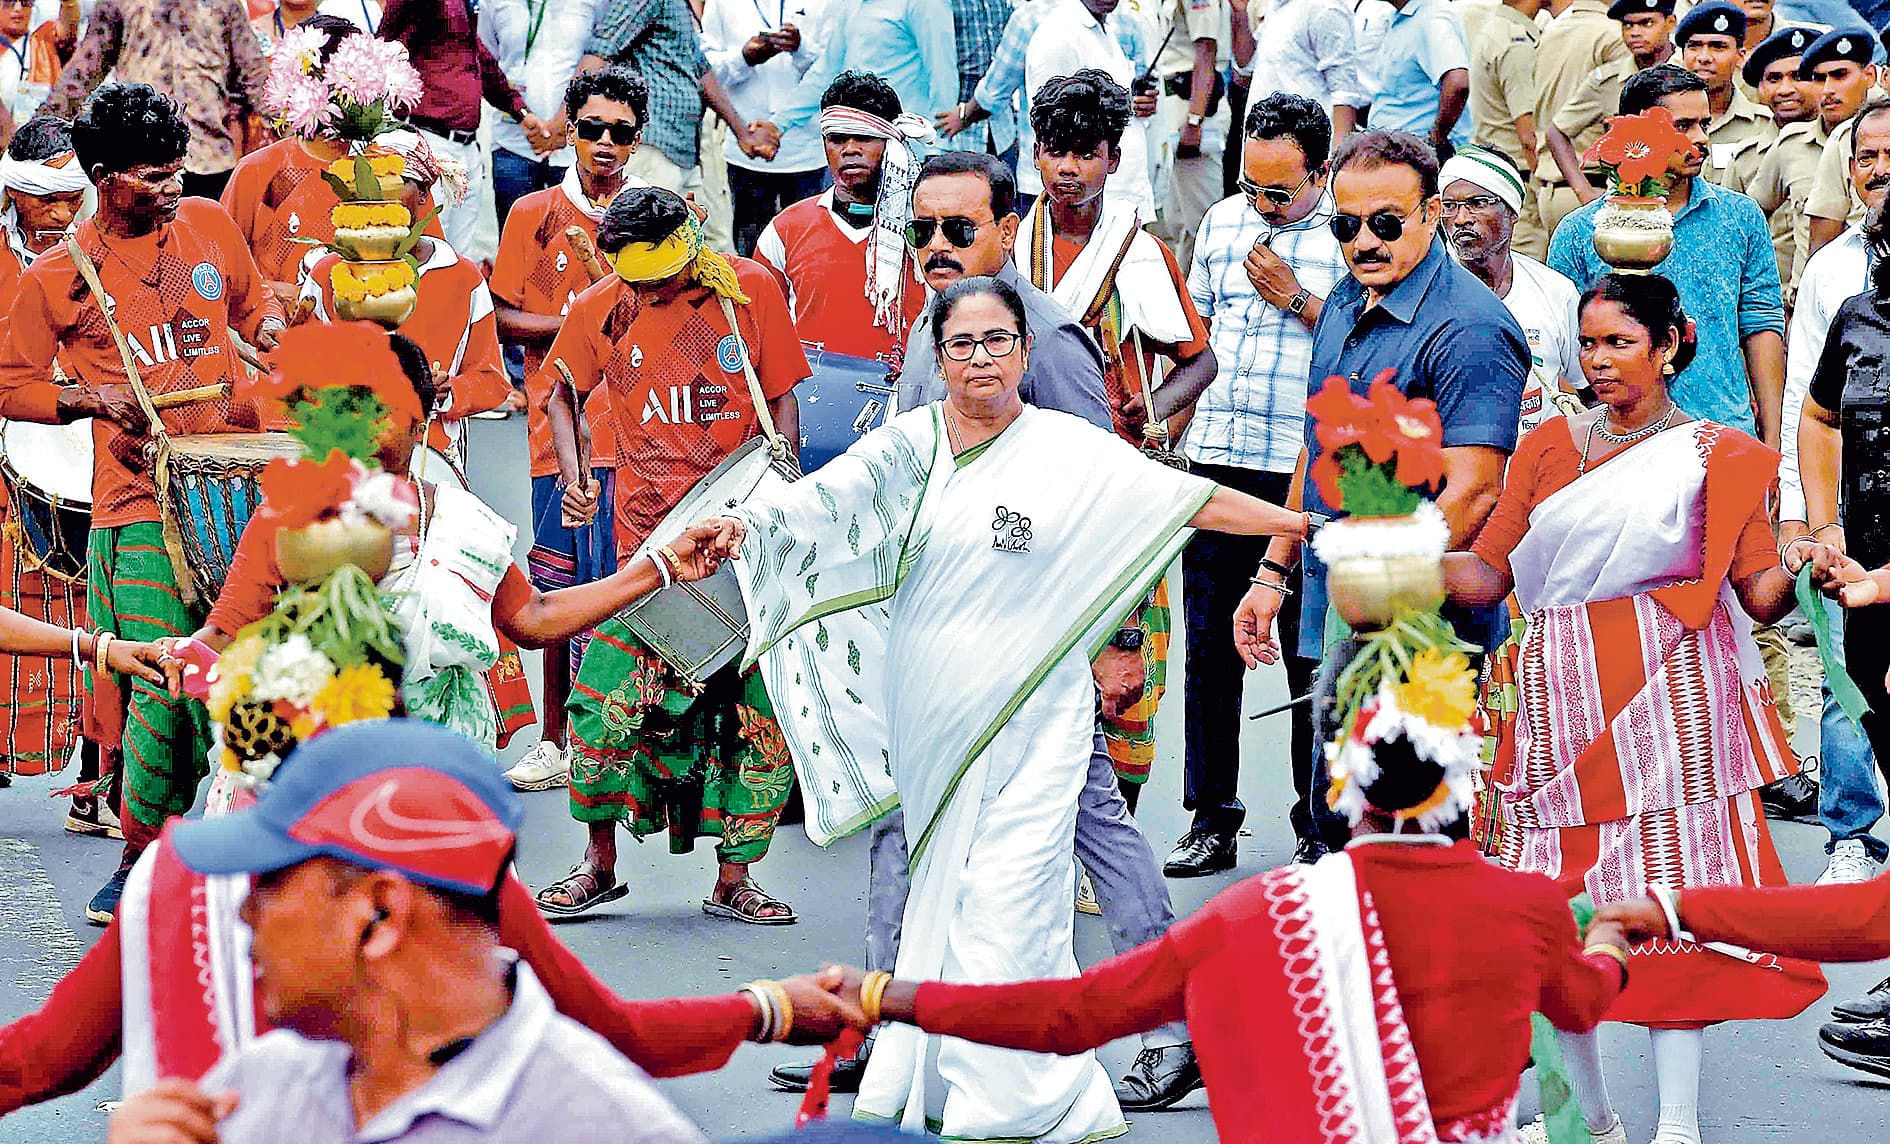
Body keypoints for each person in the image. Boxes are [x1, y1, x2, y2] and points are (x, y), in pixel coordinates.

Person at [698, 272, 1313, 1142]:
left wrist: (1295, 529)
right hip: (934, 715)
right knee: (941, 903)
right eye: (961, 344)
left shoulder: (1070, 449)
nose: (980, 359)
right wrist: (741, 529)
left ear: (1026, 351)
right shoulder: (907, 447)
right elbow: (811, 511)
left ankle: (1026, 1096)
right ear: (937, 356)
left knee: (1013, 902)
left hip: (1042, 718)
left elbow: (1189, 500)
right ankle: (942, 1081)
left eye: (997, 341)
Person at [798, 151, 1201, 1110]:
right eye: (924, 229)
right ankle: (886, 1032)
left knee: (1091, 822)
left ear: (1005, 228)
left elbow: (1111, 500)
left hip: (1037, 651)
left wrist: (1115, 635)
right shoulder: (943, 323)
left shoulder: (1045, 341)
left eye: (960, 229)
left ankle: (1171, 1023)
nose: (938, 247)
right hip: (937, 641)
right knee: (905, 824)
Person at [814, 680, 1631, 1143]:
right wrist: (1609, 942)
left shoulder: (1258, 914)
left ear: (1340, 792)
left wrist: (891, 996)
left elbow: (1067, 1016)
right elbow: (1584, 1003)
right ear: (1462, 787)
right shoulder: (1528, 908)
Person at [1436, 272, 1827, 1144]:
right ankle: (1587, 1119)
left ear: (1670, 345)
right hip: (1555, 696)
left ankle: (1678, 1126)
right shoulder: (1546, 447)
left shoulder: (1718, 456)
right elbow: (1490, 572)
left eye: (1618, 343)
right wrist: (1392, 560)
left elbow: (1756, 593)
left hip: (1672, 704)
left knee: (1669, 904)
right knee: (1556, 911)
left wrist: (1804, 560)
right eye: (1588, 342)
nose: (1599, 360)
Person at [97, 720, 859, 1143]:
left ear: (383, 916)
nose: (243, 914)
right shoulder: (246, 1097)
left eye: (269, 885)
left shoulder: (599, 1128)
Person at [0, 83, 286, 926]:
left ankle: (253, 843)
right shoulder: (58, 276)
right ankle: (141, 854)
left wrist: (267, 327)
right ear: (97, 176)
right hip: (138, 504)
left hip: (243, 484)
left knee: (258, 670)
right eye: (148, 177)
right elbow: (12, 385)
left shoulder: (209, 225)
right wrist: (92, 401)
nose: (168, 189)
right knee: (165, 676)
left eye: (175, 172)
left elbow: (250, 300)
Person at [1235, 128, 1528, 853]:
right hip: (1337, 597)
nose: (1364, 240)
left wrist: (1380, 584)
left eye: (1387, 222)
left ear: (1432, 215)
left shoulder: (1470, 328)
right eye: (1346, 224)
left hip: (1421, 627)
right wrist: (1274, 570)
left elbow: (1476, 491)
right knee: (1334, 819)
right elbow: (1319, 446)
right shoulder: (1344, 300)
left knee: (1418, 837)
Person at [535, 186, 806, 924]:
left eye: (662, 274)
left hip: (742, 546)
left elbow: (782, 399)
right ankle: (598, 863)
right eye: (640, 277)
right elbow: (559, 392)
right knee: (601, 710)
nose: (652, 288)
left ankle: (735, 878)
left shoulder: (748, 289)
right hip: (647, 553)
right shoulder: (602, 305)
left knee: (753, 720)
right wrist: (574, 473)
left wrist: (778, 504)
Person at [1020, 68, 1215, 817]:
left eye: (1087, 153)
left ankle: (1115, 836)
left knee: (1130, 665)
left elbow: (1198, 359)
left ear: (1113, 157)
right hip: (1026, 479)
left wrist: (1154, 409)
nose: (1070, 169)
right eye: (1055, 152)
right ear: (1035, 155)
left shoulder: (1138, 252)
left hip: (1115, 484)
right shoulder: (1009, 242)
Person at [1173, 91, 1345, 873]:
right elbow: (1194, 337)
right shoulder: (1221, 224)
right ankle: (1212, 816)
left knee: (1305, 649)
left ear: (1321, 172)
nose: (1265, 205)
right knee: (1209, 646)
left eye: (1281, 191)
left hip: (1302, 464)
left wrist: (1299, 300)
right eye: (1252, 187)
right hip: (1217, 451)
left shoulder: (1354, 231)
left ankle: (1317, 823)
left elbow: (1370, 338)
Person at [487, 66, 641, 792]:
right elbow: (503, 316)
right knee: (556, 585)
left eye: (619, 132)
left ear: (636, 142)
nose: (603, 144)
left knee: (625, 587)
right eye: (590, 129)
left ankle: (616, 740)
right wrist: (580, 324)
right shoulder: (533, 214)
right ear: (569, 130)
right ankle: (554, 739)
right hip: (560, 437)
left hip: (641, 438)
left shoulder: (648, 220)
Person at [1549, 65, 1787, 450]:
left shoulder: (1740, 217)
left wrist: (1773, 440)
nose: (1701, 139)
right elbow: (1564, 351)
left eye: (1705, 124)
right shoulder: (1583, 232)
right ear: (1634, 132)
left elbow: (1761, 326)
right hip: (1619, 445)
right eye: (1684, 126)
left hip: (1723, 433)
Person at [1779, 98, 1889, 886]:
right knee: (1853, 687)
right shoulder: (1843, 288)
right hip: (1862, 537)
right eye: (1866, 155)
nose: (1879, 170)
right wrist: (1816, 521)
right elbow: (1809, 413)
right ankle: (1851, 834)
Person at [0, 113, 92, 813]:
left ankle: (100, 772)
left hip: (89, 452)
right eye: (45, 198)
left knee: (101, 609)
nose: (59, 213)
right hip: (11, 446)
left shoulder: (101, 253)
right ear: (14, 194)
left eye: (72, 197)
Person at [300, 131, 514, 433]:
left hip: (434, 454)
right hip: (346, 452)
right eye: (372, 181)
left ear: (424, 192)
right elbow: (299, 376)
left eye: (397, 181)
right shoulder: (327, 273)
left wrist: (450, 390)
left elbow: (492, 381)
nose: (382, 193)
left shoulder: (463, 278)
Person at [220, 14, 440, 303]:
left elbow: (432, 266)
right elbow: (220, 268)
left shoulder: (392, 171)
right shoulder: (257, 171)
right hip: (284, 341)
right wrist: (280, 296)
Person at [753, 70, 927, 365]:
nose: (849, 150)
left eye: (864, 138)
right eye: (837, 139)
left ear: (893, 143)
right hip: (815, 400)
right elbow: (761, 332)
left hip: (912, 399)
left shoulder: (930, 227)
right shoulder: (785, 230)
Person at [576, 0, 779, 251]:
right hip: (654, 147)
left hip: (685, 150)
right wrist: (566, 121)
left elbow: (701, 70)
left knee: (706, 249)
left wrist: (742, 132)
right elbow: (600, 52)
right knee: (647, 247)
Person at [42, 0, 269, 202]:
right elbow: (84, 72)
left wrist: (293, 132)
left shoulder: (224, 4)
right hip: (141, 161)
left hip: (210, 160)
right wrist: (42, 131)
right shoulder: (118, 3)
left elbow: (255, 75)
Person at [375, 0, 539, 259]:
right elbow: (385, 47)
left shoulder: (464, 5)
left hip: (466, 146)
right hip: (428, 138)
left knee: (460, 255)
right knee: (424, 247)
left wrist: (520, 111)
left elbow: (480, 59)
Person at [1440, 145, 1582, 440]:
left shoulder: (1555, 292)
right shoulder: (1425, 293)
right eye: (1450, 206)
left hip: (1545, 474)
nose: (1461, 218)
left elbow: (1587, 390)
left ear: (1512, 212)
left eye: (1477, 203)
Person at [699, 0, 831, 255]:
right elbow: (707, 71)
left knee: (810, 249)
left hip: (808, 152)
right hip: (746, 151)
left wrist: (801, 48)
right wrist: (744, 57)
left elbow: (833, 69)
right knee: (752, 252)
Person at [1541, 0, 1676, 219]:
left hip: (1680, 198)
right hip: (1625, 204)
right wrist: (1583, 191)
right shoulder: (1609, 80)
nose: (1634, 33)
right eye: (1627, 25)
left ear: (1670, 23)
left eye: (1646, 23)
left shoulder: (1688, 73)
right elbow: (1556, 132)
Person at [1518, 0, 1631, 257]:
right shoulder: (1613, 34)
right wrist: (1585, 192)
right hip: (1589, 184)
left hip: (1549, 186)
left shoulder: (1551, 31)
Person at [478, 0, 601, 226]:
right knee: (516, 241)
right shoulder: (493, 2)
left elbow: (601, 58)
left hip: (574, 145)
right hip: (513, 141)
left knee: (573, 244)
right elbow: (485, 61)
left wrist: (563, 124)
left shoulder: (595, 2)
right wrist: (522, 115)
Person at [1145, 0, 1229, 269]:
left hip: (1194, 111)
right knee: (1179, 221)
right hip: (1173, 107)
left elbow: (1206, 52)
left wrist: (1194, 120)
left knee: (1205, 222)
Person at [1741, 25, 1822, 303]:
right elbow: (1734, 234)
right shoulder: (1744, 157)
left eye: (1799, 76)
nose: (1785, 89)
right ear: (1760, 88)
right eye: (1774, 78)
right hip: (1769, 304)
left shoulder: (1858, 146)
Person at [1797, 29, 1879, 266]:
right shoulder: (1842, 139)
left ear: (1870, 75)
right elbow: (1822, 240)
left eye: (1839, 75)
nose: (1827, 90)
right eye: (1820, 79)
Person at [1675, 0, 1775, 195]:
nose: (1704, 57)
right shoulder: (1659, 121)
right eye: (1694, 46)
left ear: (1740, 55)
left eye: (1718, 47)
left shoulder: (1765, 126)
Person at [1242, 0, 1364, 144]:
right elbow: (1246, 69)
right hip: (1265, 145)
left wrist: (1339, 161)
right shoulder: (1277, 7)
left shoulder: (1325, 7)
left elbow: (1344, 94)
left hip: (1307, 150)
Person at [1368, 0, 1470, 159]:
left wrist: (1435, 140)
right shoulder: (1403, 18)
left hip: (1415, 158)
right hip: (1396, 154)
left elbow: (1457, 82)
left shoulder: (1432, 17)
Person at [1469, 0, 1544, 182]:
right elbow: (1528, 135)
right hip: (1516, 174)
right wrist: (1542, 183)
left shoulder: (1494, 28)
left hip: (1495, 167)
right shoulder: (1515, 44)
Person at [0, 0, 75, 130]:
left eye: (25, 2)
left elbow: (67, 29)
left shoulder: (44, 39)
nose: (18, 8)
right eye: (9, 2)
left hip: (42, 138)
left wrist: (68, 2)